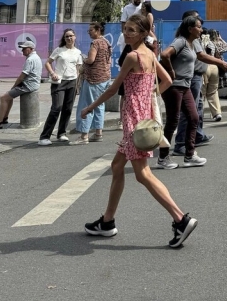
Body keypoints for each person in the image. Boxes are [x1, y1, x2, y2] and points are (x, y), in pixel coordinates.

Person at [80, 14, 198, 247]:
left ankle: (180, 219)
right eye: (126, 29)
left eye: (132, 30)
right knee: (116, 167)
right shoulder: (149, 55)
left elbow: (113, 89)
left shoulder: (133, 56)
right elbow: (167, 79)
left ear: (144, 33)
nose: (126, 33)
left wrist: (90, 108)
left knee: (143, 174)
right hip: (143, 116)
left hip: (133, 120)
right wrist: (148, 96)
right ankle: (107, 221)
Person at [170, 10, 227, 157]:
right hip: (190, 79)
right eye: (197, 22)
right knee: (189, 112)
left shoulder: (192, 38)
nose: (201, 26)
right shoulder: (185, 39)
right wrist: (221, 62)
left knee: (196, 110)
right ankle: (180, 144)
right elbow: (201, 56)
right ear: (189, 24)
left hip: (195, 76)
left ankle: (196, 136)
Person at [158, 15, 208, 169]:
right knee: (173, 121)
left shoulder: (192, 43)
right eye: (198, 27)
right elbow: (165, 55)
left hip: (184, 86)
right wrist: (171, 72)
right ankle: (163, 158)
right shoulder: (180, 41)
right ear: (190, 29)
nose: (200, 29)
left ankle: (190, 155)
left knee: (193, 118)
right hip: (174, 86)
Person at [38, 30, 83, 145]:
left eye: (71, 36)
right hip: (59, 82)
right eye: (67, 36)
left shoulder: (78, 52)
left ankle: (62, 133)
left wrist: (77, 85)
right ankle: (44, 136)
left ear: (75, 37)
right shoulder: (59, 50)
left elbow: (78, 69)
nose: (69, 38)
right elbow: (48, 63)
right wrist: (52, 73)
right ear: (64, 38)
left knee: (68, 109)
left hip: (72, 82)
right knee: (56, 108)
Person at [72, 22, 111, 144]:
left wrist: (84, 60)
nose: (89, 32)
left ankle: (84, 136)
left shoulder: (96, 43)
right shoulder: (107, 42)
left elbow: (91, 59)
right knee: (99, 105)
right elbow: (108, 60)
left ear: (98, 30)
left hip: (93, 78)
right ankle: (98, 133)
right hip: (104, 77)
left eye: (91, 30)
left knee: (87, 105)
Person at [0, 40, 42, 129]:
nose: (22, 51)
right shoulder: (36, 57)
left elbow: (22, 76)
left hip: (27, 85)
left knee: (3, 97)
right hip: (33, 84)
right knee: (9, 97)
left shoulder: (30, 59)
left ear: (30, 49)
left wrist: (14, 86)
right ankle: (4, 117)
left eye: (24, 49)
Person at [201, 29, 222, 122]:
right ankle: (217, 113)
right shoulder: (212, 43)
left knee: (202, 93)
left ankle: (199, 113)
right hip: (214, 67)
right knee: (213, 92)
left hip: (204, 67)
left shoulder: (198, 43)